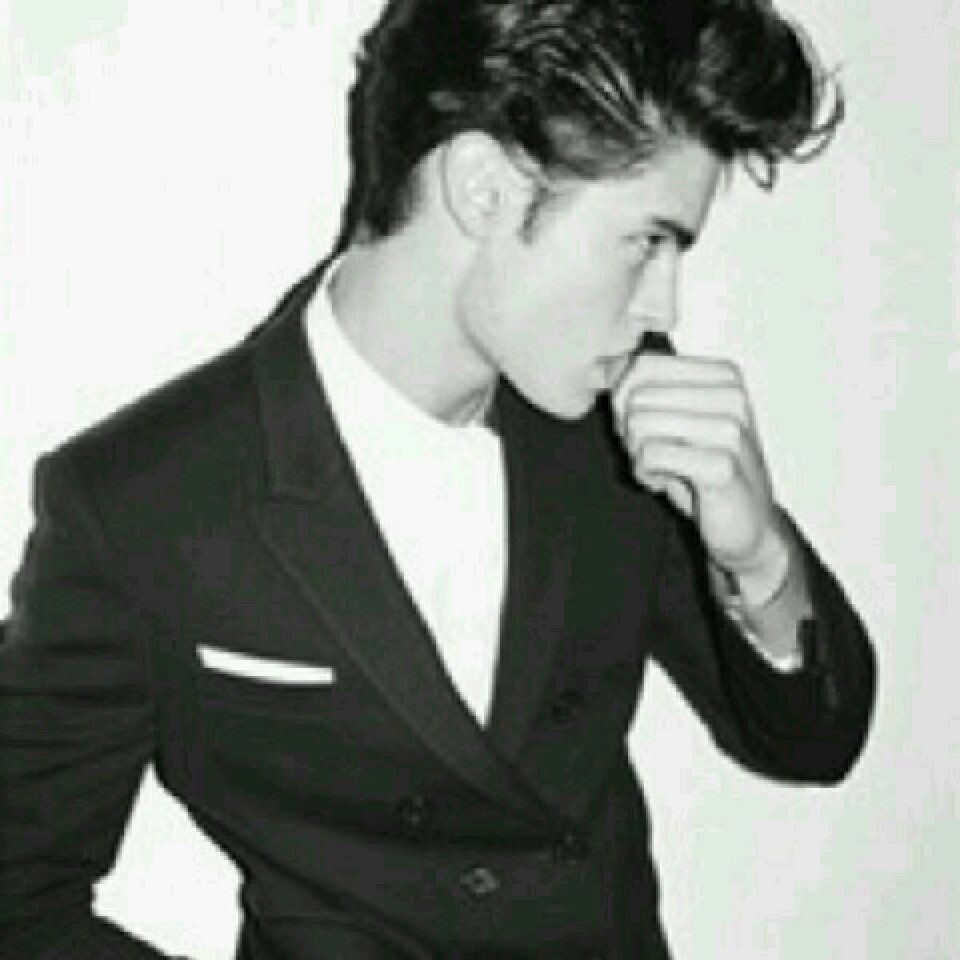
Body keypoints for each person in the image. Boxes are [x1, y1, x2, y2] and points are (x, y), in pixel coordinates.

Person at [0, 0, 876, 957]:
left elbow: (813, 743)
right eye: (646, 241)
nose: (662, 305)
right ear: (485, 188)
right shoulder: (141, 502)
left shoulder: (626, 425)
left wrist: (757, 556)